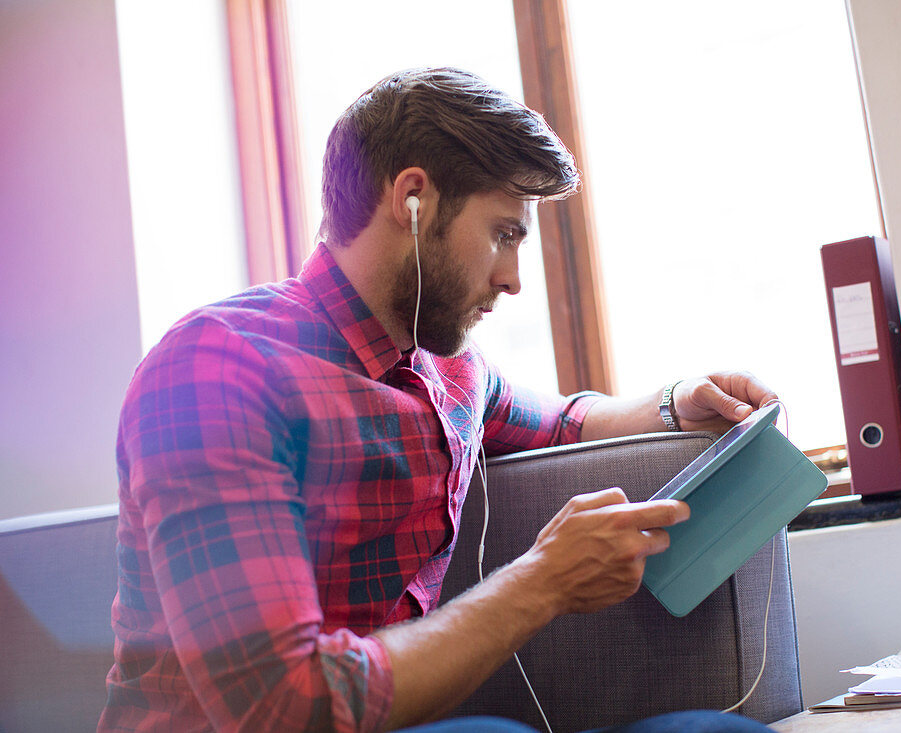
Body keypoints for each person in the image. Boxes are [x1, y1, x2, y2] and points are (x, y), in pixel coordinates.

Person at [99, 68, 777, 733]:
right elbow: (284, 706)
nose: (513, 279)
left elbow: (564, 421)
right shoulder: (217, 370)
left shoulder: (451, 369)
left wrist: (677, 401)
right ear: (413, 199)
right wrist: (540, 580)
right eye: (505, 233)